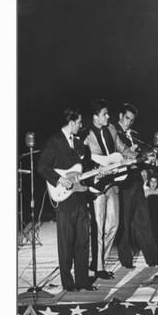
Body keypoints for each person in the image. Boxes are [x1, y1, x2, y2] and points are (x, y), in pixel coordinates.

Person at [37, 108, 95, 291]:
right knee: (66, 242)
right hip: (64, 198)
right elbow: (42, 167)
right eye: (78, 123)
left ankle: (83, 281)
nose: (80, 126)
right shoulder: (55, 141)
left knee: (83, 240)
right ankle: (68, 284)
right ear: (71, 122)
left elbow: (82, 168)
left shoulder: (78, 143)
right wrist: (59, 179)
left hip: (79, 195)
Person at [84, 99, 134, 279]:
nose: (108, 116)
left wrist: (137, 156)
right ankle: (98, 267)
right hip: (97, 185)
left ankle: (98, 262)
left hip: (112, 184)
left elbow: (122, 148)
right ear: (96, 116)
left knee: (113, 225)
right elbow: (90, 158)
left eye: (107, 113)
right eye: (104, 113)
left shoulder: (112, 129)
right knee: (98, 227)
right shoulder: (86, 135)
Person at [113, 103, 158, 268]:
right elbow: (114, 156)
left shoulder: (135, 134)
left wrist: (149, 160)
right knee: (125, 223)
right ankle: (126, 261)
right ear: (120, 116)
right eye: (127, 118)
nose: (129, 123)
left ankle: (153, 259)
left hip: (136, 181)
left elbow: (140, 159)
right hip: (123, 182)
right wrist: (130, 153)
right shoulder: (113, 132)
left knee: (143, 220)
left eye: (132, 120)